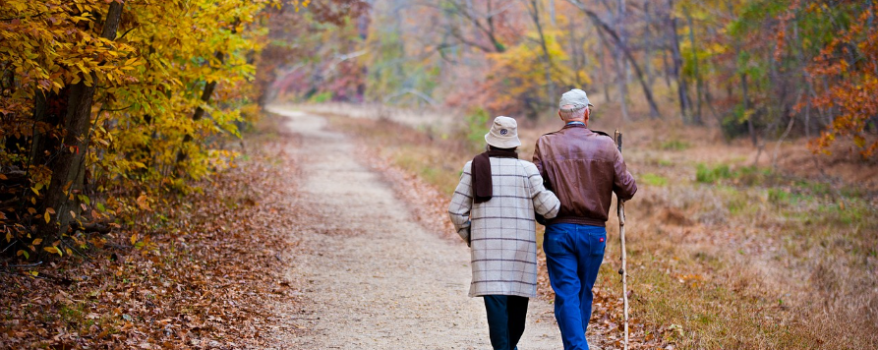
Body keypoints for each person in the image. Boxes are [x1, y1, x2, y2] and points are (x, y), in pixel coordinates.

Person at [533, 89, 637, 350]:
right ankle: (578, 347)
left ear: (560, 115)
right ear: (587, 113)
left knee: (568, 293)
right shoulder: (606, 145)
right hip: (594, 234)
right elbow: (628, 189)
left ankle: (576, 346)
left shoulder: (545, 144)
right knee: (581, 292)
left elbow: (533, 186)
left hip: (559, 230)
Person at [448, 116, 560, 350]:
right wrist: (555, 189)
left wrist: (472, 236)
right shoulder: (527, 170)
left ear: (490, 142)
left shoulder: (474, 167)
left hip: (487, 255)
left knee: (497, 313)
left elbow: (456, 211)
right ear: (516, 144)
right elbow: (549, 209)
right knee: (517, 318)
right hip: (520, 253)